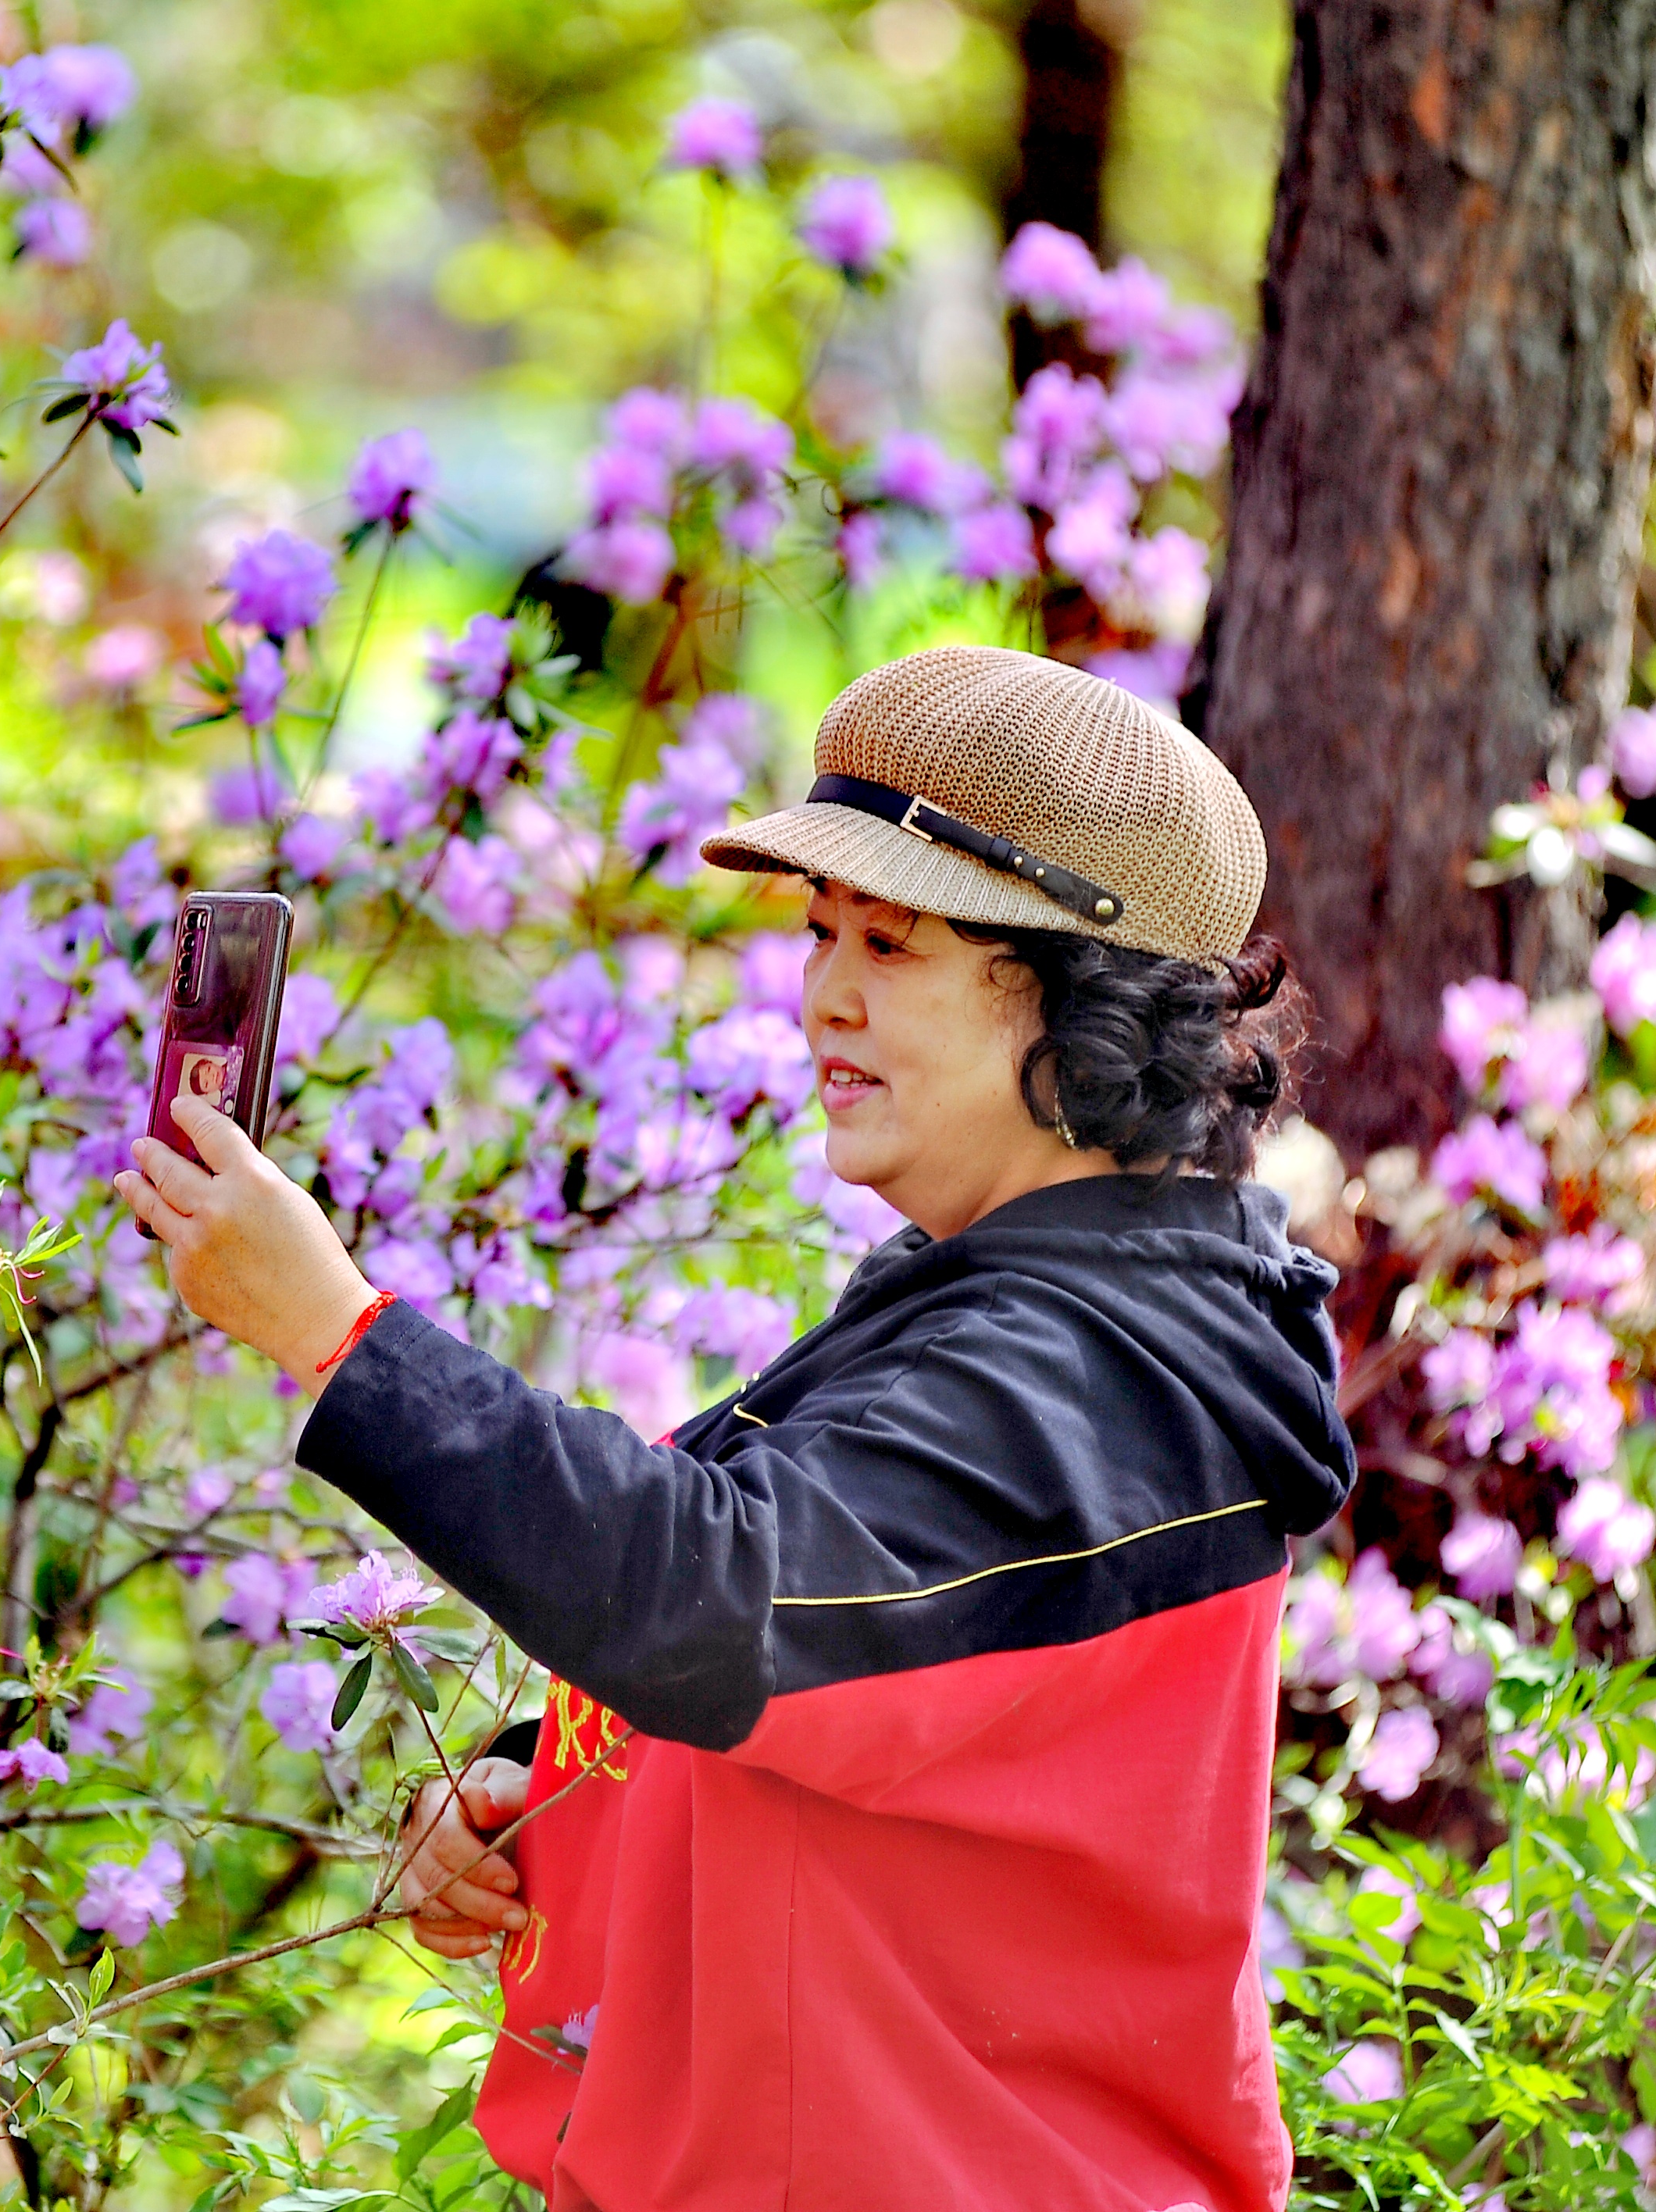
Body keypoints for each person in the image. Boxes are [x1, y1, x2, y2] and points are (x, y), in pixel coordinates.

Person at [116, 646, 1357, 2210]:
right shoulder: (1022, 1312)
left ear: (1082, 1005)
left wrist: (335, 1334)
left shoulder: (1090, 1376)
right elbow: (867, 1684)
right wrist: (532, 1791)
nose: (823, 991)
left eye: (890, 943)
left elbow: (723, 1605)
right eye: (823, 931)